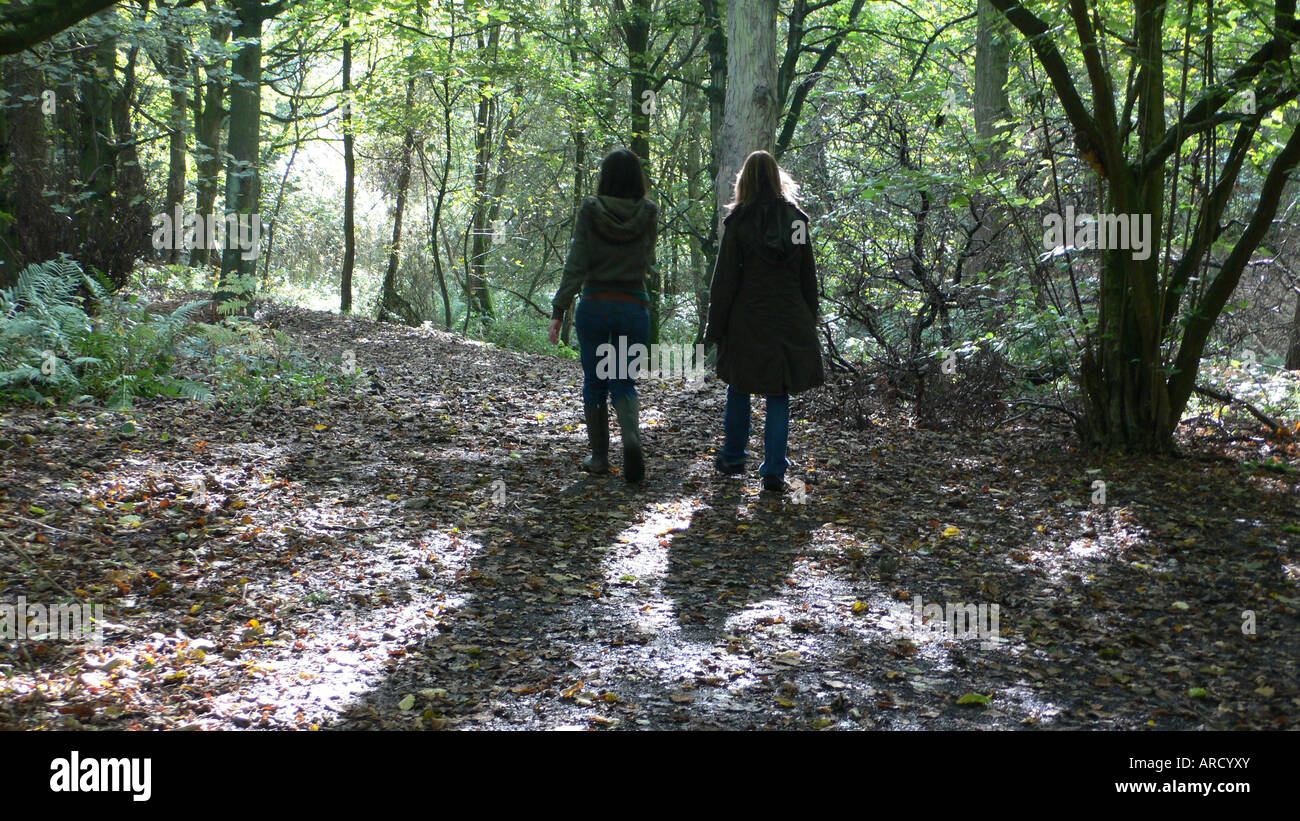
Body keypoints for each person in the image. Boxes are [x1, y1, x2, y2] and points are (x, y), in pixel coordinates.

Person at [705, 150, 824, 493]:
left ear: (745, 180)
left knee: (739, 386)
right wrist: (809, 317)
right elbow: (806, 273)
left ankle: (733, 456)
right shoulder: (797, 222)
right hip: (788, 316)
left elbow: (725, 280)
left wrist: (716, 325)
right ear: (776, 178)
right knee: (778, 393)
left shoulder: (739, 223)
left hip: (747, 318)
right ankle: (773, 470)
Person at [548, 148, 658, 483]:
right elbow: (648, 259)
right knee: (623, 380)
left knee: (595, 380)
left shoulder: (590, 210)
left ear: (605, 178)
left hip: (595, 304)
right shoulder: (649, 212)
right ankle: (631, 439)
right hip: (633, 306)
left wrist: (559, 308)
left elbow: (576, 261)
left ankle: (598, 458)